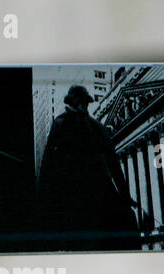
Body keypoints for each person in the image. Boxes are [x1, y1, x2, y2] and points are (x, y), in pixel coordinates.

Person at [37, 85, 151, 249]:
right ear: (76, 103)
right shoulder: (91, 127)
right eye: (82, 102)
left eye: (85, 103)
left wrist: (125, 196)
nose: (84, 106)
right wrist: (124, 196)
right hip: (89, 199)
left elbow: (48, 167)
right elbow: (114, 166)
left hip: (80, 201)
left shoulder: (64, 124)